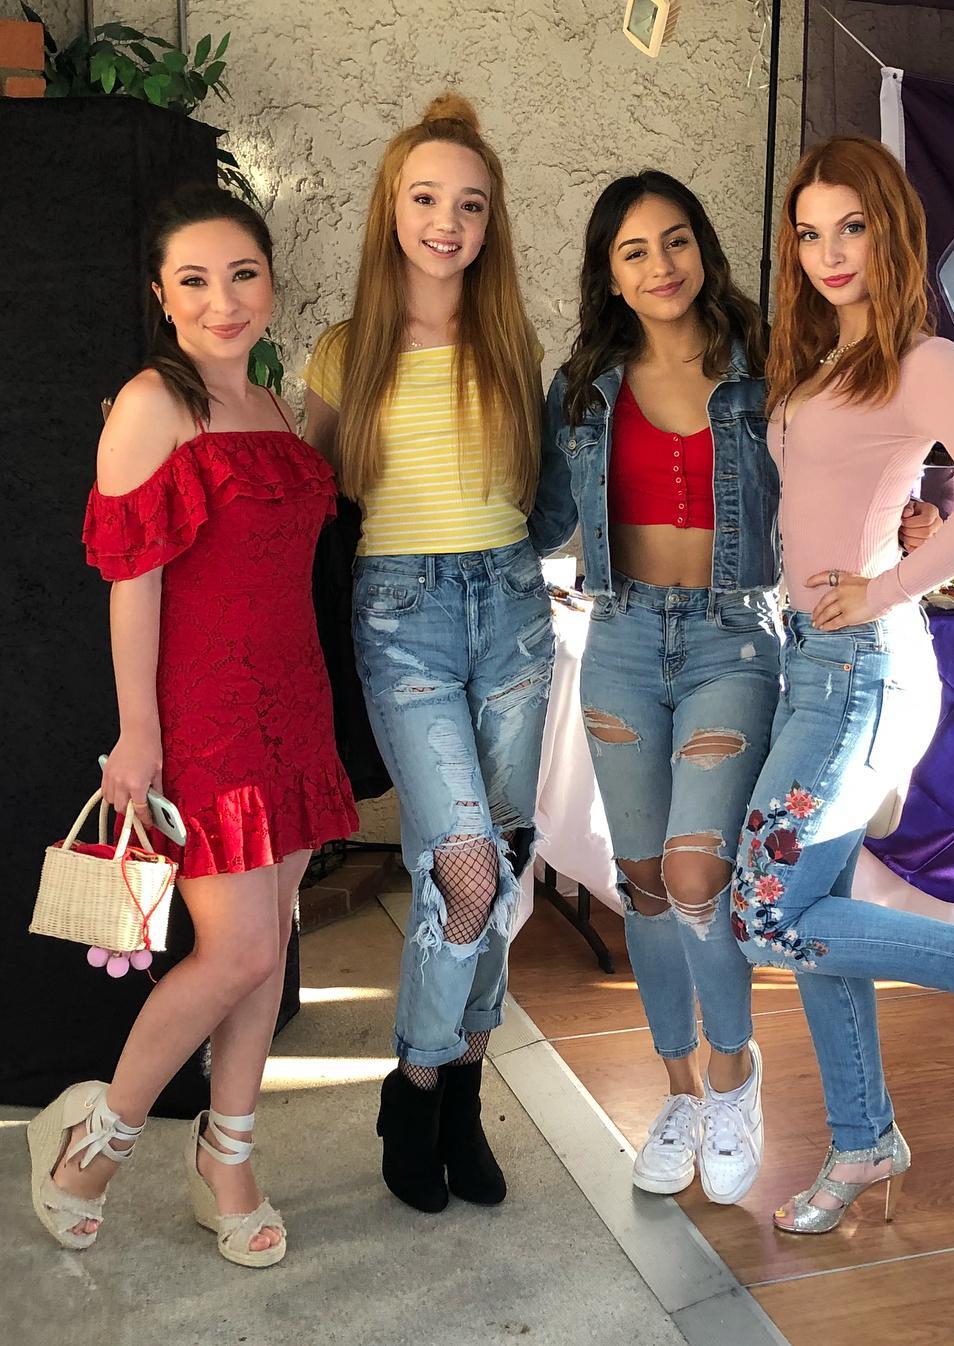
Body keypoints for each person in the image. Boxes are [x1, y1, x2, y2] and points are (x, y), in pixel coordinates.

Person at [529, 171, 939, 1206]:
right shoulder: (579, 385)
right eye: (633, 251)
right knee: (642, 882)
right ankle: (676, 1092)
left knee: (698, 874)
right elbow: (536, 517)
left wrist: (911, 518)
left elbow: (859, 450)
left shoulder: (771, 363)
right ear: (609, 274)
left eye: (676, 241)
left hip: (734, 640)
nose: (659, 265)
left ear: (703, 250)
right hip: (620, 639)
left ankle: (731, 1072)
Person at [729, 134, 954, 1235]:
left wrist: (886, 584)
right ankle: (862, 1135)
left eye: (852, 227)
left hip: (860, 669)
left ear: (892, 230)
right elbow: (871, 488)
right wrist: (906, 530)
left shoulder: (921, 358)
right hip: (811, 660)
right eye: (810, 233)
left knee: (763, 912)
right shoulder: (823, 359)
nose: (830, 252)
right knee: (811, 916)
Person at [27, 185, 358, 1267]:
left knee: (270, 947)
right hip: (204, 718)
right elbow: (134, 583)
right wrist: (138, 734)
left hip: (295, 704)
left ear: (271, 283)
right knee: (239, 947)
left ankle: (229, 1156)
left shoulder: (269, 405)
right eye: (196, 280)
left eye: (243, 274)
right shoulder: (151, 403)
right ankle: (97, 1136)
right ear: (162, 297)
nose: (224, 300)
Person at [303, 94, 551, 1214]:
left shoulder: (510, 342)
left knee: (504, 863)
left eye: (470, 205)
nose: (447, 222)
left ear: (490, 223)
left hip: (513, 606)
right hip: (401, 615)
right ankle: (413, 1085)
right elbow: (303, 495)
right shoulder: (345, 350)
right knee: (462, 869)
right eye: (426, 199)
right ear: (391, 210)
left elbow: (546, 493)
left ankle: (464, 1091)